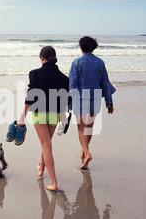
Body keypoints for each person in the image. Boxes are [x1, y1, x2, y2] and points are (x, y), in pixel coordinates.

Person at [8, 46, 69, 192]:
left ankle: (54, 183)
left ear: (41, 58)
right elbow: (66, 98)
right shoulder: (64, 78)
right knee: (46, 144)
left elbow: (32, 94)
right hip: (55, 113)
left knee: (46, 145)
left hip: (40, 113)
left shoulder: (35, 73)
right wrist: (63, 117)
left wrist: (22, 114)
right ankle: (41, 168)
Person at [69, 36, 116, 170]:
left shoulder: (76, 62)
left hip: (81, 96)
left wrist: (70, 103)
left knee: (80, 128)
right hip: (95, 96)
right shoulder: (100, 63)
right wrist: (109, 103)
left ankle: (87, 152)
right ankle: (85, 151)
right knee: (89, 127)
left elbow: (72, 84)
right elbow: (105, 83)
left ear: (81, 48)